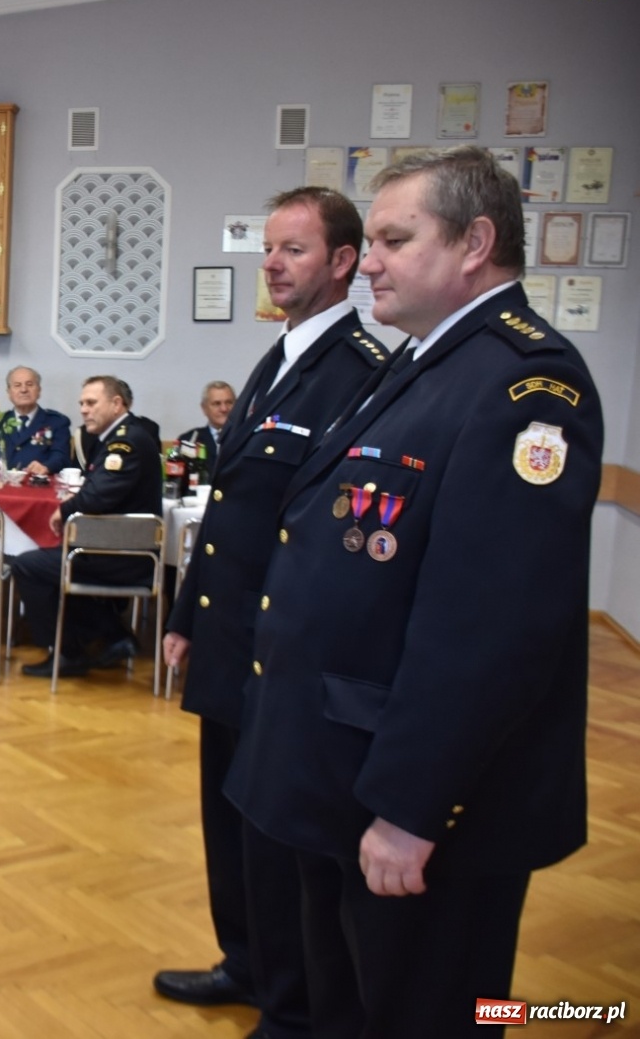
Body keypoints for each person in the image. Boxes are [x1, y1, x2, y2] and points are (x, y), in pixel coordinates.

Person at [226, 148, 602, 1038]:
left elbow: (493, 629)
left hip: (417, 800)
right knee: (347, 1003)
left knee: (429, 1009)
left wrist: (412, 807)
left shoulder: (522, 384)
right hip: (342, 764)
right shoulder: (423, 363)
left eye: (396, 237)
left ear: (475, 243)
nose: (373, 258)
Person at [154, 187, 386, 1038]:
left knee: (279, 834)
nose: (274, 264)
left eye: (294, 250)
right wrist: (185, 610)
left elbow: (324, 534)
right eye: (270, 250)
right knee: (227, 815)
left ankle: (291, 1003)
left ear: (342, 263)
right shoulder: (281, 355)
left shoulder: (360, 372)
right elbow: (232, 505)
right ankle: (245, 961)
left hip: (279, 650)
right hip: (227, 635)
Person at [11, 376, 162, 679]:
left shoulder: (125, 440)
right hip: (110, 548)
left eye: (91, 403)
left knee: (28, 565)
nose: (83, 410)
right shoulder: (122, 435)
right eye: (81, 403)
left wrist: (64, 508)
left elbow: (100, 494)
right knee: (50, 564)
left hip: (122, 555)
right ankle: (113, 636)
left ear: (117, 404)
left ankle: (67, 653)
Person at [0, 366, 70, 474]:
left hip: (38, 484)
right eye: (17, 385)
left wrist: (46, 467)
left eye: (30, 384)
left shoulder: (57, 422)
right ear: (9, 392)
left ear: (39, 390)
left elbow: (61, 456)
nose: (24, 390)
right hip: (2, 485)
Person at [174, 380, 235, 462]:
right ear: (204, 408)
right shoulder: (189, 440)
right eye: (217, 403)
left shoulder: (247, 438)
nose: (224, 409)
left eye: (229, 403)